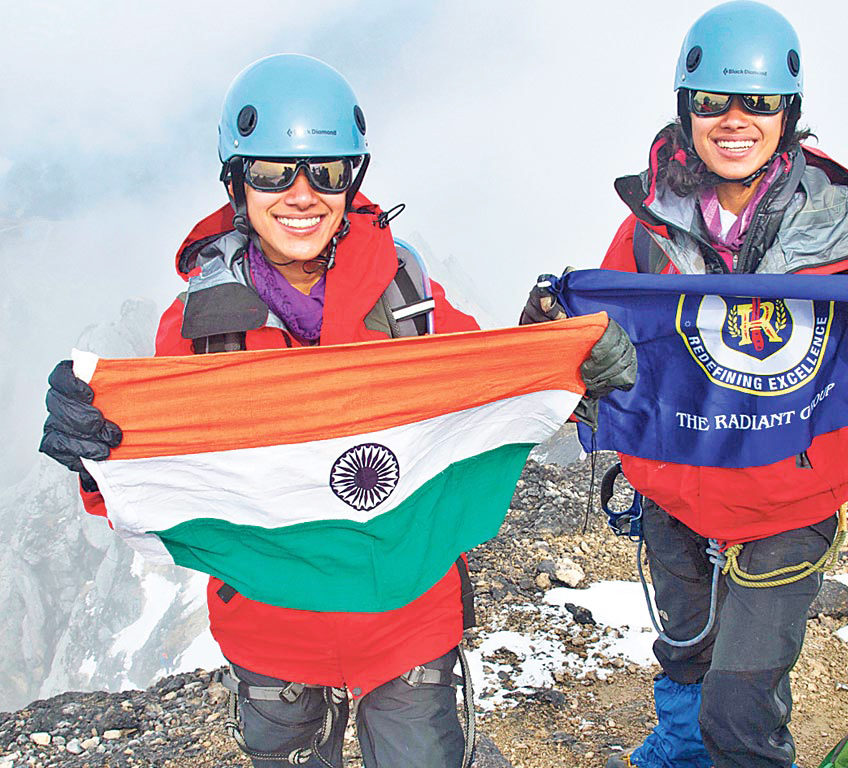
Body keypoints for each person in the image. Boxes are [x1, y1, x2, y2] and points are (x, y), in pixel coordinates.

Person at [39, 54, 634, 767]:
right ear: (236, 181)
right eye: (271, 172)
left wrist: (561, 370)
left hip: (405, 625)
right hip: (275, 633)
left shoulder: (405, 289)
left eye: (325, 171)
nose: (301, 194)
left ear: (353, 177)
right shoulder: (198, 328)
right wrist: (92, 451)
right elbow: (161, 475)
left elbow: (481, 397)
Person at [521, 3, 848, 767]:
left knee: (740, 712)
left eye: (759, 102)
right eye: (712, 101)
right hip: (672, 495)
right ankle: (678, 751)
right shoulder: (648, 224)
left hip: (786, 505)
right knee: (683, 655)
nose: (734, 120)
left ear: (789, 114)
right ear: (686, 109)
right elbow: (616, 338)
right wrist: (557, 334)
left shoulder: (840, 228)